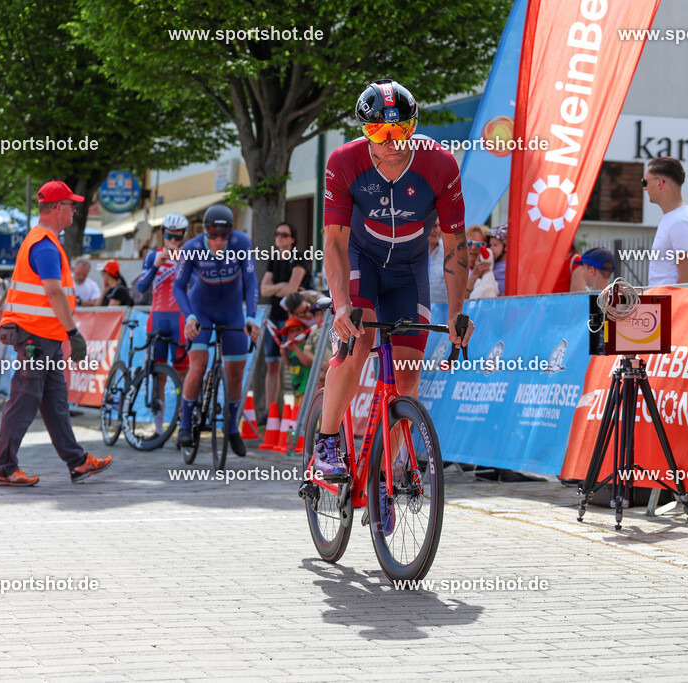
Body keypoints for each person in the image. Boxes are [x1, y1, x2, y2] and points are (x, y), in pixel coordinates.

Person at [315, 78, 473, 484]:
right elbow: (333, 242)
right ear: (363, 132)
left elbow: (456, 245)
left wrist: (457, 312)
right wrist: (341, 304)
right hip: (360, 261)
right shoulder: (343, 162)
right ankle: (326, 442)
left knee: (407, 376)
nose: (390, 141)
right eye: (377, 132)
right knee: (358, 339)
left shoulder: (440, 164)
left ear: (414, 126)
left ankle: (393, 466)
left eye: (400, 130)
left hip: (408, 269)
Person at [0, 180, 112, 486]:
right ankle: (4, 468)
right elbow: (54, 292)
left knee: (55, 400)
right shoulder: (44, 245)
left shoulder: (45, 241)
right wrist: (74, 333)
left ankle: (78, 461)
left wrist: (64, 335)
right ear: (58, 208)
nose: (75, 209)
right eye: (71, 205)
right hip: (35, 336)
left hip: (45, 337)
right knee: (25, 396)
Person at [173, 204, 261, 457]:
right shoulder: (191, 248)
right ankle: (186, 423)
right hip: (201, 311)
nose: (219, 241)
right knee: (198, 366)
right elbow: (179, 286)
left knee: (235, 373)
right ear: (205, 232)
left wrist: (251, 317)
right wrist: (189, 316)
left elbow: (251, 281)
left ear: (231, 233)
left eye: (224, 236)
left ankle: (232, 427)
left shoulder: (242, 243)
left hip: (232, 312)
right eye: (213, 235)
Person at [135, 213, 189, 435]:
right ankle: (158, 429)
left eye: (177, 237)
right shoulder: (152, 256)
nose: (173, 242)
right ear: (162, 234)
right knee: (159, 375)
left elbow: (194, 286)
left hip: (180, 320)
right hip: (157, 319)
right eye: (169, 236)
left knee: (184, 374)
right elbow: (140, 288)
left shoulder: (188, 256)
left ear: (183, 236)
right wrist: (156, 266)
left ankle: (182, 422)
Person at [260, 222, 310, 416]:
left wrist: (279, 287)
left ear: (292, 239)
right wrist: (282, 285)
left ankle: (300, 412)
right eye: (277, 233)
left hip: (293, 321)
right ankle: (269, 411)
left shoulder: (299, 257)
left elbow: (291, 291)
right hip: (274, 318)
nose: (279, 237)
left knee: (296, 363)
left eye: (284, 234)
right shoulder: (274, 259)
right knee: (272, 364)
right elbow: (264, 289)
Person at [644, 156, 688, 286]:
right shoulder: (674, 218)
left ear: (660, 183)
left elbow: (687, 280)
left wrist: (670, 306)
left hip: (672, 305)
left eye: (645, 182)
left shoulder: (681, 221)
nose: (645, 188)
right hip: (664, 303)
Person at [464, 225, 491, 299]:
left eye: (479, 244)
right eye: (469, 243)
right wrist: (473, 276)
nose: (473, 248)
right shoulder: (458, 269)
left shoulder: (493, 269)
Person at [427, 219, 447, 305]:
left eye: (440, 226)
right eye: (434, 226)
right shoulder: (414, 251)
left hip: (443, 311)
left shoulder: (449, 251)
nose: (437, 230)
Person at [488, 224, 508, 296]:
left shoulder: (509, 266)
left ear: (506, 247)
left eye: (495, 245)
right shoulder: (491, 263)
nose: (491, 248)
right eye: (490, 245)